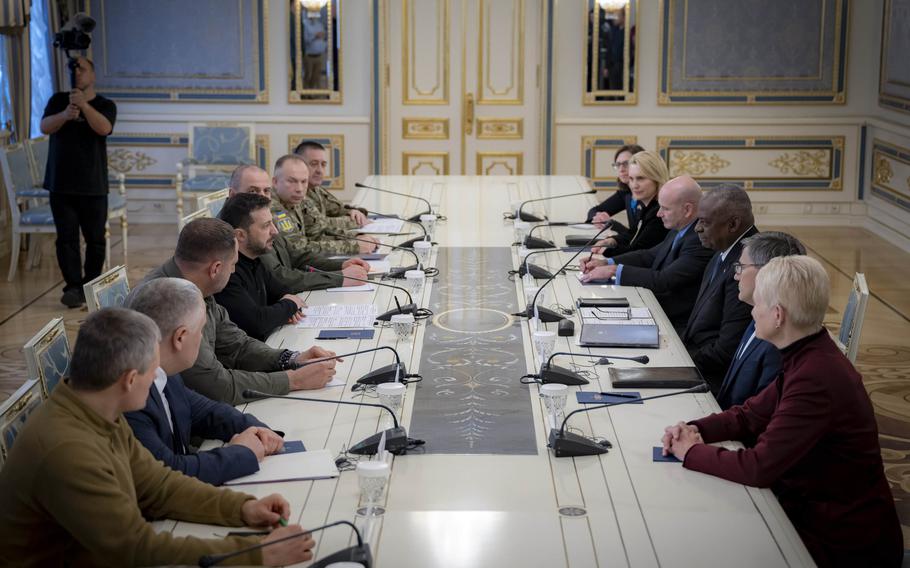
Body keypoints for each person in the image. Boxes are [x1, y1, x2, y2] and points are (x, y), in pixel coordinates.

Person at [0, 308, 315, 566]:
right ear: (130, 380)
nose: (159, 379)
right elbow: (135, 549)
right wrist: (256, 555)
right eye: (154, 371)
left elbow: (158, 485)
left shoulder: (95, 408)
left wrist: (242, 508)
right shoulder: (68, 450)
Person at [662, 256, 902, 567]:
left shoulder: (816, 377)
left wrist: (691, 452)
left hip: (840, 541)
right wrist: (695, 428)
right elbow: (750, 415)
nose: (751, 311)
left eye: (757, 303)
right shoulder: (808, 353)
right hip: (810, 513)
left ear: (777, 315)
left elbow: (759, 467)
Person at [142, 218, 338, 404]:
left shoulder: (197, 281)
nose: (234, 271)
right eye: (233, 265)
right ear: (216, 269)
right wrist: (294, 380)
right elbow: (216, 385)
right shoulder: (170, 302)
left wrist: (291, 358)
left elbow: (237, 344)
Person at [124, 278, 285, 486]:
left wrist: (257, 430)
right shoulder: (130, 396)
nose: (202, 337)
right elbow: (171, 472)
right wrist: (240, 453)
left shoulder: (164, 370)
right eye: (200, 330)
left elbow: (204, 411)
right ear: (180, 337)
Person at [580, 175, 714, 332]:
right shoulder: (682, 227)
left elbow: (664, 280)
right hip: (657, 307)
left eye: (665, 208)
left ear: (688, 210)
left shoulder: (700, 238)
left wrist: (614, 270)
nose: (659, 214)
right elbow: (649, 255)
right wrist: (606, 262)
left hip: (675, 323)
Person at [39, 57, 117, 308]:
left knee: (95, 239)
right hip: (60, 183)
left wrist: (84, 106)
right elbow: (45, 127)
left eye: (82, 68)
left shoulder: (105, 104)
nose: (77, 73)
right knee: (66, 238)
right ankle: (72, 287)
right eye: (73, 69)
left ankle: (90, 284)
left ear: (93, 74)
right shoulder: (57, 100)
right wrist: (65, 113)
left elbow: (104, 128)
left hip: (93, 184)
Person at [228, 165, 370, 291]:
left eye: (266, 191)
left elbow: (298, 256)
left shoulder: (264, 217)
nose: (262, 198)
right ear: (232, 194)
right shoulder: (237, 229)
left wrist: (341, 265)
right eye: (253, 191)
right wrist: (340, 278)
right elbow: (279, 278)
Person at [715, 232, 806, 409]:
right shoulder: (758, 313)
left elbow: (760, 414)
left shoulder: (778, 338)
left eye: (740, 267)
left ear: (766, 271)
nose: (736, 276)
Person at [681, 184, 757, 392]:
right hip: (697, 356)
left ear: (732, 224)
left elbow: (726, 350)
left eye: (705, 222)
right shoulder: (723, 248)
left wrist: (678, 361)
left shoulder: (746, 268)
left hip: (712, 379)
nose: (697, 228)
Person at [216, 193, 307, 340]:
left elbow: (283, 290)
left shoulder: (254, 259)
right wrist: (289, 306)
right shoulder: (228, 273)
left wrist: (286, 306)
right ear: (240, 235)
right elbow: (257, 322)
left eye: (272, 223)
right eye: (266, 226)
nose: (275, 231)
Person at [269, 154, 377, 256]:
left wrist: (357, 237)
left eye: (304, 181)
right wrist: (353, 246)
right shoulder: (273, 208)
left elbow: (319, 231)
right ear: (275, 182)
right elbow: (299, 249)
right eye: (292, 181)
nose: (299, 189)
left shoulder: (297, 198)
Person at [590, 150, 669, 256]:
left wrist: (606, 252)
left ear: (656, 178)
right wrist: (612, 240)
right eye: (631, 179)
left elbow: (639, 252)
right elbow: (634, 233)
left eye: (640, 178)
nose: (634, 185)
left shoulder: (660, 212)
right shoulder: (646, 206)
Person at [295, 140, 370, 230]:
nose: (320, 170)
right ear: (299, 165)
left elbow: (336, 209)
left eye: (323, 165)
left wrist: (353, 212)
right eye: (313, 164)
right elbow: (320, 225)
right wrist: (356, 220)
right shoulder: (295, 193)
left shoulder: (316, 189)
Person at [585, 143, 645, 226]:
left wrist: (611, 224)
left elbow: (638, 237)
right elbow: (595, 210)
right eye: (618, 165)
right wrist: (599, 218)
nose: (621, 169)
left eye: (626, 164)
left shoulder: (646, 195)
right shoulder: (625, 193)